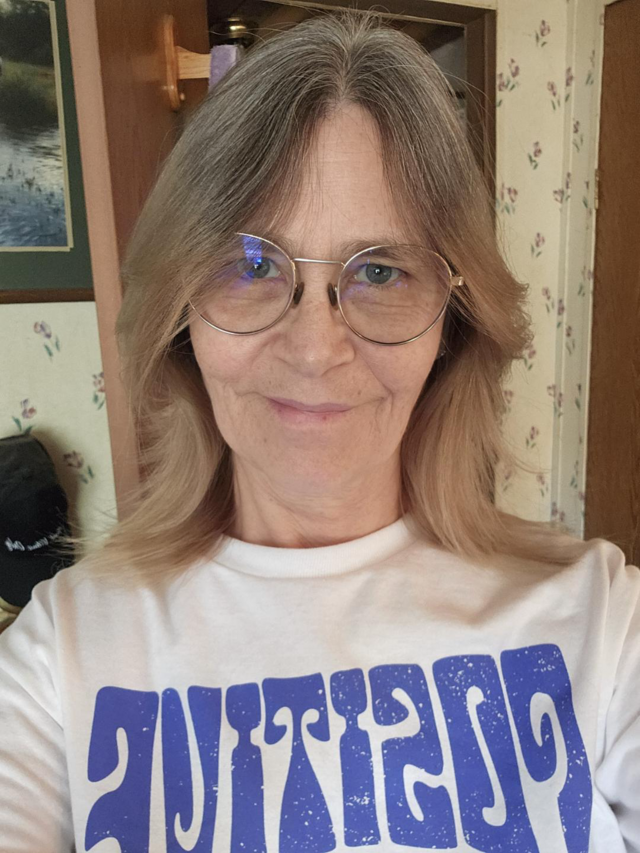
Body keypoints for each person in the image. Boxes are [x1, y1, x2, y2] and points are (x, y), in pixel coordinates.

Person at [0, 9, 638, 853]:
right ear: (181, 313)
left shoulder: (603, 624)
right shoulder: (61, 656)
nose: (313, 349)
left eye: (381, 270)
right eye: (252, 264)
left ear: (454, 323)